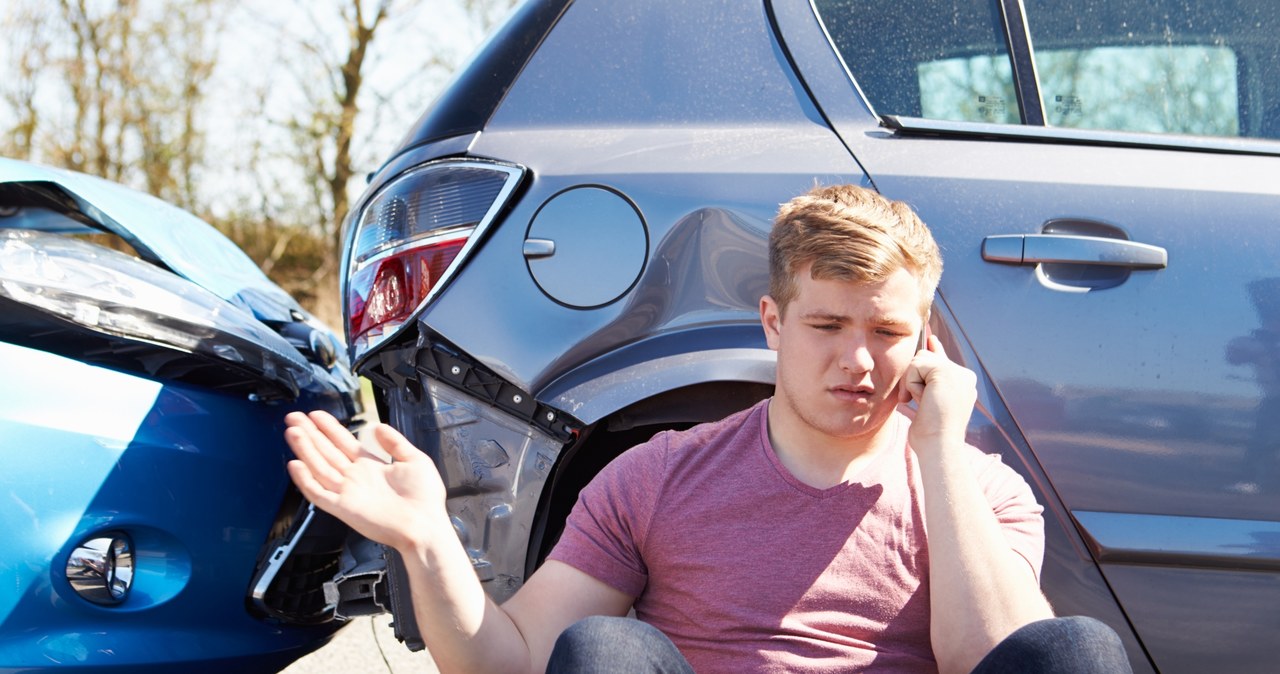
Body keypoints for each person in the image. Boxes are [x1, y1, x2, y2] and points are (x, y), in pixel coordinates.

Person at [284, 184, 1133, 674]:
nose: (859, 362)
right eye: (827, 326)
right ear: (772, 323)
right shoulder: (658, 478)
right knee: (603, 649)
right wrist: (428, 539)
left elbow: (1001, 657)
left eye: (885, 332)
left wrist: (940, 449)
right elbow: (511, 663)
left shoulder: (979, 491)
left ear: (926, 344)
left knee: (1076, 650)